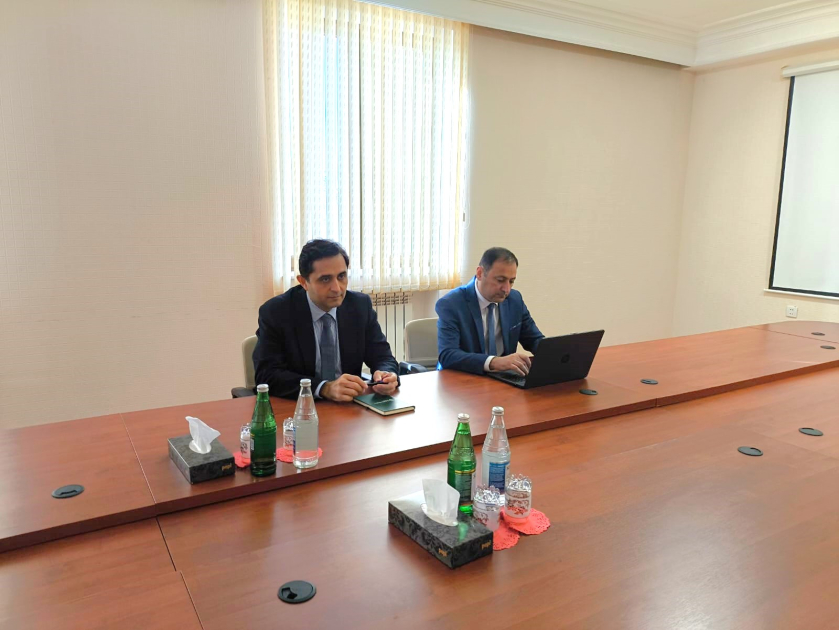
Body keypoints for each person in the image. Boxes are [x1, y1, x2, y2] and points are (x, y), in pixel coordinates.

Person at [253, 239, 399, 401]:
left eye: (341, 276)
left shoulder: (359, 306)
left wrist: (386, 375)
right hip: (299, 406)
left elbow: (383, 357)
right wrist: (324, 388)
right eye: (325, 279)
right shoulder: (277, 312)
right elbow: (267, 375)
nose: (337, 288)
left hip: (349, 407)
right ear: (304, 282)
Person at [436, 247, 544, 376]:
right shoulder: (451, 304)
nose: (506, 289)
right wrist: (493, 362)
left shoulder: (514, 300)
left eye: (511, 281)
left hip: (503, 378)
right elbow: (448, 355)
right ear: (480, 273)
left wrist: (557, 353)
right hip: (463, 378)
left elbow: (534, 339)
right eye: (500, 280)